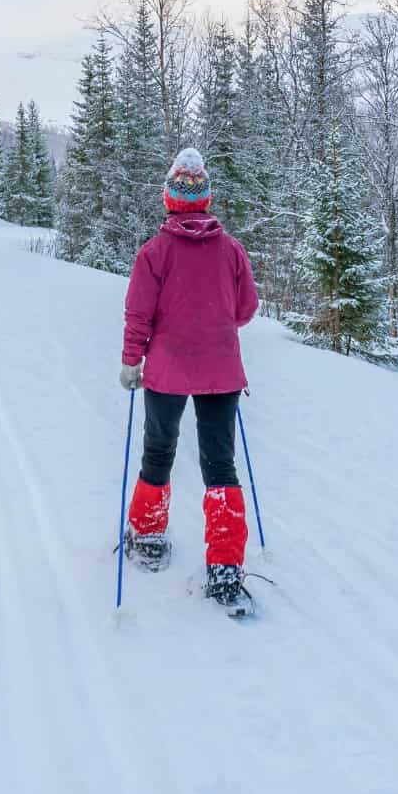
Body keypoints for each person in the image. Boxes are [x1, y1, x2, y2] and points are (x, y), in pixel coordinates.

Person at [119, 147, 260, 610]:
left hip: (166, 370)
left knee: (158, 450)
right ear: (204, 200)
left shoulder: (154, 253)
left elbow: (138, 315)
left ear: (169, 199)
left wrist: (131, 362)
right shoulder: (231, 250)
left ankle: (150, 536)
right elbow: (246, 310)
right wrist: (212, 323)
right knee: (220, 464)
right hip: (221, 370)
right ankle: (224, 568)